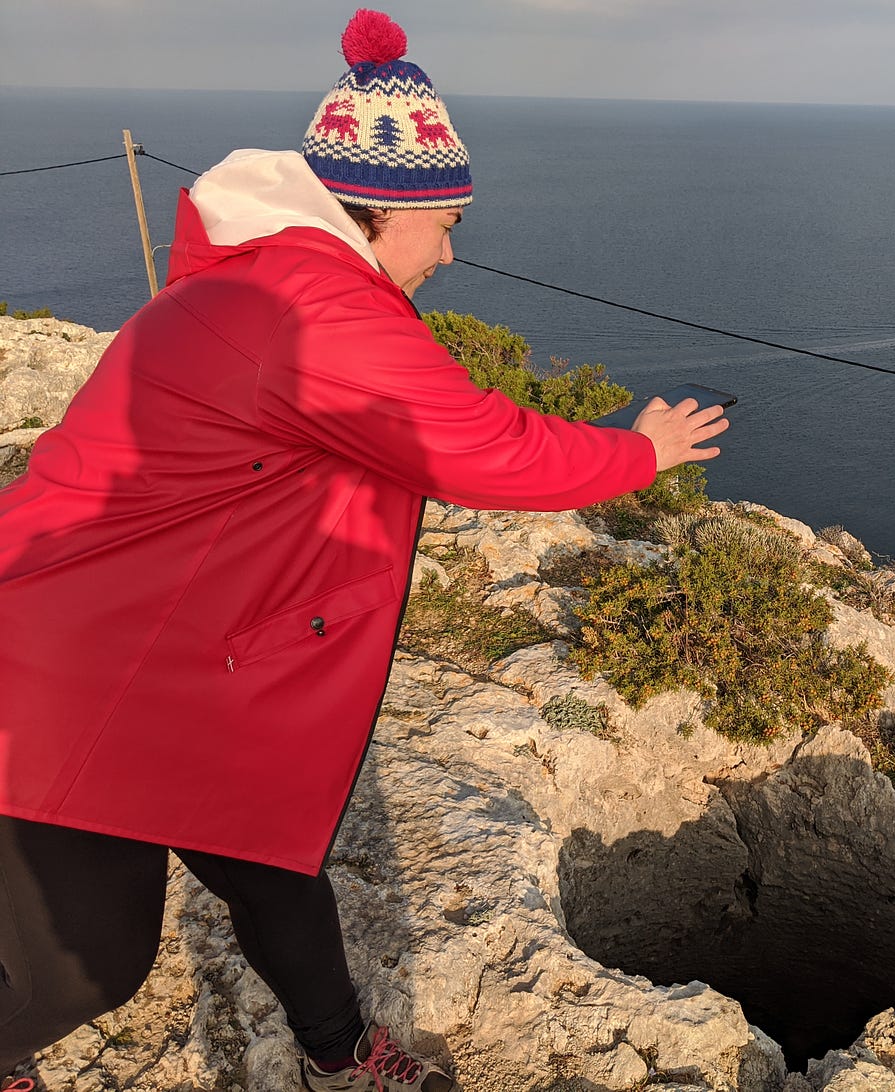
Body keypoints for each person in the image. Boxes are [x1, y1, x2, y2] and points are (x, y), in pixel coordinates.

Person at [0, 10, 727, 1091]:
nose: (450, 251)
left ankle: (339, 1056)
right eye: (446, 224)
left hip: (173, 653)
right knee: (85, 968)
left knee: (272, 866)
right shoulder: (311, 306)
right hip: (84, 668)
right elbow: (478, 443)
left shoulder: (257, 280)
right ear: (385, 211)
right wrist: (636, 452)